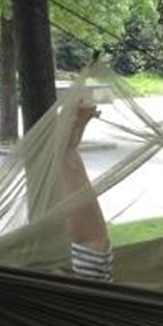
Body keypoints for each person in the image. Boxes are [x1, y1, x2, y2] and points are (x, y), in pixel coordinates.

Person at [61, 98, 114, 281]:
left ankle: (74, 126)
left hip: (91, 276)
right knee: (67, 155)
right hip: (95, 275)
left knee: (66, 157)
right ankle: (74, 126)